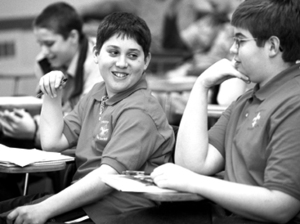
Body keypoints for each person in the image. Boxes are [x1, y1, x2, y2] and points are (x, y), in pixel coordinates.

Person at [110, 0, 300, 223]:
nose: (232, 49)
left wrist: (194, 182)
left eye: (239, 40)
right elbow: (193, 164)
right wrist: (201, 85)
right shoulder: (248, 98)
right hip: (224, 213)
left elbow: (281, 206)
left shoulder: (293, 102)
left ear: (272, 46)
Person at [0, 11, 175, 224]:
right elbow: (52, 142)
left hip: (115, 213)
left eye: (132, 55)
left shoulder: (140, 110)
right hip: (82, 201)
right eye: (113, 52)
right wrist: (52, 92)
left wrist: (44, 209)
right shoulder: (96, 93)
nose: (121, 63)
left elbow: (106, 179)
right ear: (96, 54)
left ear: (146, 61)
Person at [0, 2, 103, 150]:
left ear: (73, 37)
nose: (44, 51)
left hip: (81, 139)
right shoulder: (44, 61)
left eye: (49, 43)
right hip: (56, 128)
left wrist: (34, 130)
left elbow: (85, 122)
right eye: (40, 44)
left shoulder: (98, 64)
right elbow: (44, 103)